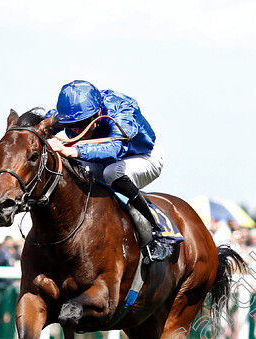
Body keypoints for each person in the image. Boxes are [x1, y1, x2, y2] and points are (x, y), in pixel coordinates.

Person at [44, 80, 171, 262]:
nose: (78, 129)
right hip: (102, 159)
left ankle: (156, 234)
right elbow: (36, 129)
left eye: (84, 122)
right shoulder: (68, 113)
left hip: (143, 155)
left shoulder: (120, 108)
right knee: (70, 169)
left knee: (111, 172)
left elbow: (115, 149)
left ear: (97, 112)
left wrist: (74, 150)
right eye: (72, 125)